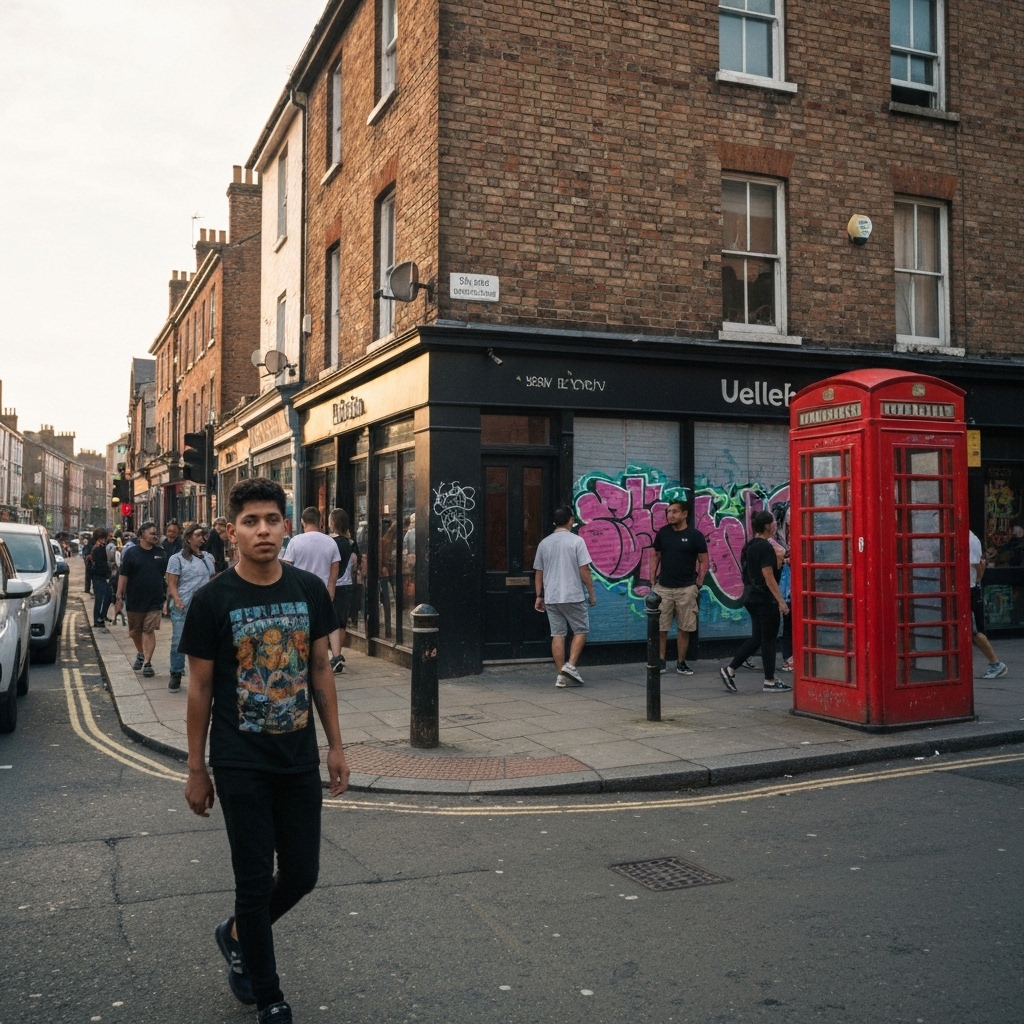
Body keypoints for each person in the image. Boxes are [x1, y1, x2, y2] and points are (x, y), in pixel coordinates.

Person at [180, 477, 348, 1024]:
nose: (263, 530)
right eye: (251, 521)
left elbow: (320, 667)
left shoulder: (307, 590)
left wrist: (336, 746)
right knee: (254, 880)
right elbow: (200, 690)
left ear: (286, 524)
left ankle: (234, 934)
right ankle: (269, 993)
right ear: (231, 532)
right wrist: (196, 768)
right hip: (239, 760)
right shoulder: (213, 601)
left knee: (301, 874)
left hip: (297, 756)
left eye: (272, 520)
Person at [720, 510, 791, 693]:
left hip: (750, 596)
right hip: (764, 598)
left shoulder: (750, 545)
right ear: (768, 526)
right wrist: (781, 601)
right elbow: (767, 576)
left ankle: (730, 669)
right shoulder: (766, 547)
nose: (776, 525)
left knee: (757, 638)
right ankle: (769, 681)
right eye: (774, 522)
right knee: (769, 640)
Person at [533, 505, 597, 687]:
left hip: (552, 596)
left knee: (558, 634)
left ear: (555, 522)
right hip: (573, 594)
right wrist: (591, 593)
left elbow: (539, 571)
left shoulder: (544, 543)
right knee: (581, 630)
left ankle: (561, 675)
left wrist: (539, 595)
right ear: (570, 520)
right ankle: (570, 665)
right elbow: (584, 570)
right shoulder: (577, 541)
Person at [281, 507, 344, 671]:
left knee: (301, 625)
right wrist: (330, 592)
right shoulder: (330, 542)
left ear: (302, 522)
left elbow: (287, 568)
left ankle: (302, 655)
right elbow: (334, 572)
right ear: (320, 521)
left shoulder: (295, 541)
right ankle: (335, 656)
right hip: (322, 590)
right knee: (328, 624)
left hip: (299, 592)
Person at [650, 499, 708, 675]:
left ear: (685, 514)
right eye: (668, 512)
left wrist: (699, 582)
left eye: (675, 511)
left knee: (685, 627)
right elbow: (655, 555)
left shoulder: (695, 535)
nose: (670, 515)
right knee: (661, 627)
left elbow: (704, 560)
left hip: (686, 588)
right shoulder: (663, 533)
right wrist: (652, 579)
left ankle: (681, 662)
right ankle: (660, 661)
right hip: (664, 588)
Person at [165, 523, 216, 691]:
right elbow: (172, 583)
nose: (202, 538)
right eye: (198, 535)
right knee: (178, 641)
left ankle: (203, 675)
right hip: (183, 606)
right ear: (188, 538)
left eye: (203, 536)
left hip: (203, 608)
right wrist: (177, 599)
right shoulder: (177, 559)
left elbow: (212, 580)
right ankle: (176, 673)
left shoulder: (208, 558)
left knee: (204, 643)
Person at [114, 522, 167, 678]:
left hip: (155, 599)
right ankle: (141, 653)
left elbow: (168, 575)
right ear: (142, 534)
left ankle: (148, 663)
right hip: (135, 600)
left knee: (148, 630)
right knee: (134, 632)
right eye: (152, 533)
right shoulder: (131, 553)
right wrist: (118, 596)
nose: (155, 535)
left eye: (156, 533)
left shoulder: (161, 553)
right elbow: (123, 576)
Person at [970, 530, 1007, 679]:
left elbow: (979, 564)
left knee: (974, 631)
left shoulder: (969, 539)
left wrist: (977, 581)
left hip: (969, 589)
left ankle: (996, 663)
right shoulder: (959, 536)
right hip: (961, 588)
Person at [328, 508, 359, 673]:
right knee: (341, 624)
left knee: (330, 622)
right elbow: (355, 562)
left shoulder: (329, 542)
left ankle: (334, 656)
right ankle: (337, 655)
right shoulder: (350, 543)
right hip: (346, 585)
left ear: (332, 523)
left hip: (331, 585)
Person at [88, 528, 113, 627]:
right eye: (101, 539)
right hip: (98, 577)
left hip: (103, 577)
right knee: (99, 598)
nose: (103, 541)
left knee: (108, 596)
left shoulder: (103, 548)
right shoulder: (97, 549)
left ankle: (102, 616)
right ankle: (97, 619)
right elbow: (101, 563)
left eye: (104, 538)